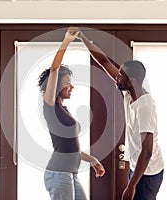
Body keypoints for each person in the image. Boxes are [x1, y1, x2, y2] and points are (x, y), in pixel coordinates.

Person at [76, 27, 164, 200]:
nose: (117, 77)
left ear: (132, 81)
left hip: (149, 173)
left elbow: (146, 150)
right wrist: (82, 37)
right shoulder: (129, 93)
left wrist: (131, 186)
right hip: (137, 168)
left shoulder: (145, 106)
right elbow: (104, 62)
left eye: (121, 76)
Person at [38, 27, 105, 200]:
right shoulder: (50, 106)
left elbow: (70, 148)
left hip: (69, 174)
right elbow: (54, 71)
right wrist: (66, 41)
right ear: (56, 86)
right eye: (67, 82)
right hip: (59, 174)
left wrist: (93, 160)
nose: (72, 86)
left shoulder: (64, 110)